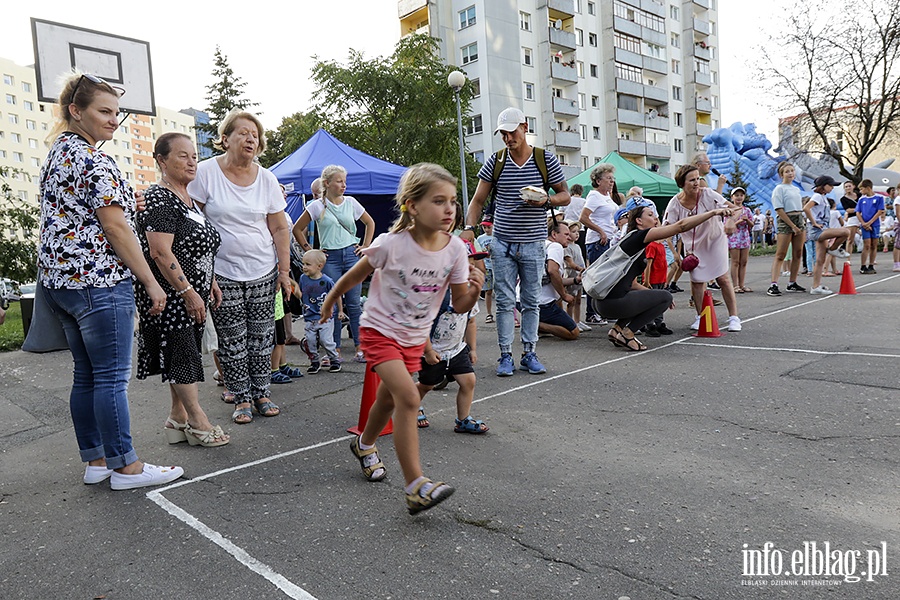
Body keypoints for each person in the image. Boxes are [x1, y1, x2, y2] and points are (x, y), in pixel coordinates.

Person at [39, 73, 183, 489]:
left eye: (116, 112)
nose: (114, 120)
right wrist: (152, 283)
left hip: (61, 282)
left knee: (86, 375)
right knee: (110, 377)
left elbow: (85, 212)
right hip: (98, 279)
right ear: (75, 111)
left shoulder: (58, 154)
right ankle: (127, 467)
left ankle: (97, 461)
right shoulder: (93, 159)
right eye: (104, 111)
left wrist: (124, 201)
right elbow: (115, 228)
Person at [321, 163, 484, 514]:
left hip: (413, 337)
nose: (449, 209)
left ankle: (364, 445)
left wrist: (474, 290)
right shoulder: (390, 244)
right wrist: (332, 299)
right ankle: (416, 486)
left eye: (453, 201)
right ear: (412, 205)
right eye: (439, 201)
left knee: (388, 400)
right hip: (380, 330)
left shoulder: (455, 249)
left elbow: (458, 304)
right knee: (409, 398)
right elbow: (354, 277)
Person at [187, 110, 291, 425]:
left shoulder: (267, 178)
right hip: (222, 273)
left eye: (255, 135)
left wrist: (284, 272)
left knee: (262, 336)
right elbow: (193, 223)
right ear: (225, 138)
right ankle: (241, 398)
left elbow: (280, 228)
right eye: (243, 132)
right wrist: (204, 273)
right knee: (232, 339)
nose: (250, 139)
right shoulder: (205, 173)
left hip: (263, 270)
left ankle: (262, 393)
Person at [135, 132, 229, 448]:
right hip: (171, 292)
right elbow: (160, 252)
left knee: (182, 352)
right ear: (161, 160)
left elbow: (198, 248)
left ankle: (177, 417)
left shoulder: (186, 198)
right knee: (183, 353)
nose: (192, 162)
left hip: (193, 288)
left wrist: (210, 281)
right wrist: (189, 290)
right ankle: (198, 421)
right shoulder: (159, 198)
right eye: (182, 156)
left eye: (194, 156)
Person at [463, 107, 570, 377]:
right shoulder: (496, 161)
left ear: (524, 127)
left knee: (531, 301)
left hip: (534, 242)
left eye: (512, 132)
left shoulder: (544, 159)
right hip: (502, 242)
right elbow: (478, 200)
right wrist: (468, 228)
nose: (508, 138)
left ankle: (529, 353)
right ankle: (505, 355)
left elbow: (565, 195)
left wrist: (545, 200)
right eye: (503, 134)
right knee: (504, 301)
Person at [600, 204, 732, 351]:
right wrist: (712, 212)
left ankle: (616, 329)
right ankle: (628, 333)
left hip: (603, 302)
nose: (655, 218)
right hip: (611, 303)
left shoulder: (632, 240)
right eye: (650, 215)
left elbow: (632, 284)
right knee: (666, 297)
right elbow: (680, 226)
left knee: (658, 296)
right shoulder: (639, 236)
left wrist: (655, 297)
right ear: (639, 221)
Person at [292, 166, 375, 363]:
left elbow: (370, 223)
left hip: (352, 255)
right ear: (327, 183)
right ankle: (334, 349)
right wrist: (311, 251)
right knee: (333, 305)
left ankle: (360, 348)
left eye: (345, 181)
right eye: (339, 181)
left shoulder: (352, 202)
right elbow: (297, 229)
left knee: (354, 304)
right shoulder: (316, 206)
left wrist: (365, 246)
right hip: (330, 258)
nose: (344, 185)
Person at [664, 165, 742, 332]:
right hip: (694, 248)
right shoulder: (675, 203)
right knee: (698, 281)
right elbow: (668, 228)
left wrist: (730, 220)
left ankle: (734, 317)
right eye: (692, 180)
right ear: (682, 184)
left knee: (723, 279)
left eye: (698, 178)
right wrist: (673, 252)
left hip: (715, 241)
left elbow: (735, 209)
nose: (696, 182)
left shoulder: (708, 194)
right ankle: (701, 317)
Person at [415, 286, 486, 434]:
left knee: (468, 381)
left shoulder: (469, 293)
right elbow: (422, 325)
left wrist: (472, 349)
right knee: (427, 385)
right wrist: (428, 351)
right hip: (434, 351)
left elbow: (471, 322)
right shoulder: (435, 294)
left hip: (457, 350)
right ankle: (413, 405)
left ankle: (463, 419)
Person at [579, 164, 619, 325]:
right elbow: (583, 217)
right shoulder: (594, 196)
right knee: (596, 278)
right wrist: (600, 231)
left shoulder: (607, 196)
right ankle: (591, 312)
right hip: (597, 241)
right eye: (608, 178)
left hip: (609, 239)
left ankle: (603, 311)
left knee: (607, 278)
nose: (612, 182)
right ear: (598, 180)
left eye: (612, 178)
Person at [803, 175, 851, 294]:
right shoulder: (817, 196)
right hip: (817, 230)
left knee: (820, 260)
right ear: (823, 186)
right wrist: (813, 222)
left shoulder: (823, 197)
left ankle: (815, 287)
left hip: (823, 228)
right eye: (831, 186)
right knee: (846, 231)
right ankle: (833, 249)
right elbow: (806, 208)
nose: (832, 188)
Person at [766, 162, 807, 296]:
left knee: (798, 252)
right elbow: (779, 209)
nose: (790, 173)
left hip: (798, 217)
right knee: (781, 254)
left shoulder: (795, 189)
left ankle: (792, 282)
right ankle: (773, 284)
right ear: (781, 174)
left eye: (792, 171)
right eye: (787, 171)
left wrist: (800, 223)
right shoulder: (779, 189)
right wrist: (792, 226)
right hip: (786, 220)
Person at [299, 250, 341, 373]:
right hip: (309, 316)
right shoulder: (303, 278)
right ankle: (314, 361)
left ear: (319, 266)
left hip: (325, 317)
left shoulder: (327, 281)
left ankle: (334, 359)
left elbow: (336, 294)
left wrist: (340, 311)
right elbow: (301, 293)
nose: (304, 267)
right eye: (303, 264)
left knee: (325, 340)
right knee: (310, 341)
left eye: (308, 264)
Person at [538, 221, 580, 341]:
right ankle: (534, 324)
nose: (569, 237)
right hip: (542, 303)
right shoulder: (556, 246)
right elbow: (552, 271)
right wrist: (564, 295)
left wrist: (576, 280)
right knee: (573, 332)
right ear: (554, 234)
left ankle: (536, 322)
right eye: (566, 234)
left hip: (522, 300)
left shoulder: (541, 244)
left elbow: (554, 278)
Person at [727, 187, 754, 293]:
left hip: (744, 237)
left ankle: (742, 284)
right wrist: (738, 221)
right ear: (732, 197)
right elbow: (728, 226)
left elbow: (752, 225)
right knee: (735, 262)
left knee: (744, 262)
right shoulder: (730, 210)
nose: (739, 197)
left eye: (741, 195)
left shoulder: (746, 210)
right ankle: (735, 285)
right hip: (734, 237)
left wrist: (747, 220)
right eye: (736, 195)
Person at [563, 220, 588, 331]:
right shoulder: (567, 247)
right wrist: (580, 269)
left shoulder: (577, 246)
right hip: (573, 275)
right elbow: (570, 263)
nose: (577, 234)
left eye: (577, 232)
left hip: (580, 274)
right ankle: (570, 321)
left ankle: (578, 321)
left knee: (578, 299)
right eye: (573, 232)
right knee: (571, 300)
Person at [856, 179, 885, 274]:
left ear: (868, 188)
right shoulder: (861, 199)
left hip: (875, 224)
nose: (860, 191)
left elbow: (880, 211)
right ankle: (863, 265)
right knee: (867, 244)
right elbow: (858, 212)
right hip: (864, 225)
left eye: (861, 189)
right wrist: (864, 223)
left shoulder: (879, 198)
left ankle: (871, 264)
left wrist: (870, 222)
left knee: (874, 245)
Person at [476, 220, 495, 323]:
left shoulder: (497, 236)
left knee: (502, 291)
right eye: (484, 227)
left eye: (489, 227)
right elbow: (479, 252)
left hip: (497, 266)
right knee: (488, 291)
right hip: (487, 266)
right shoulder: (480, 238)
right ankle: (489, 313)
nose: (487, 229)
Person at [840, 181, 860, 255]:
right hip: (853, 218)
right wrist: (859, 209)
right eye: (846, 187)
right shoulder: (843, 199)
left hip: (863, 216)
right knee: (850, 239)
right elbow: (848, 210)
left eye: (849, 186)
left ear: (853, 186)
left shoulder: (859, 195)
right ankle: (848, 258)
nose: (848, 188)